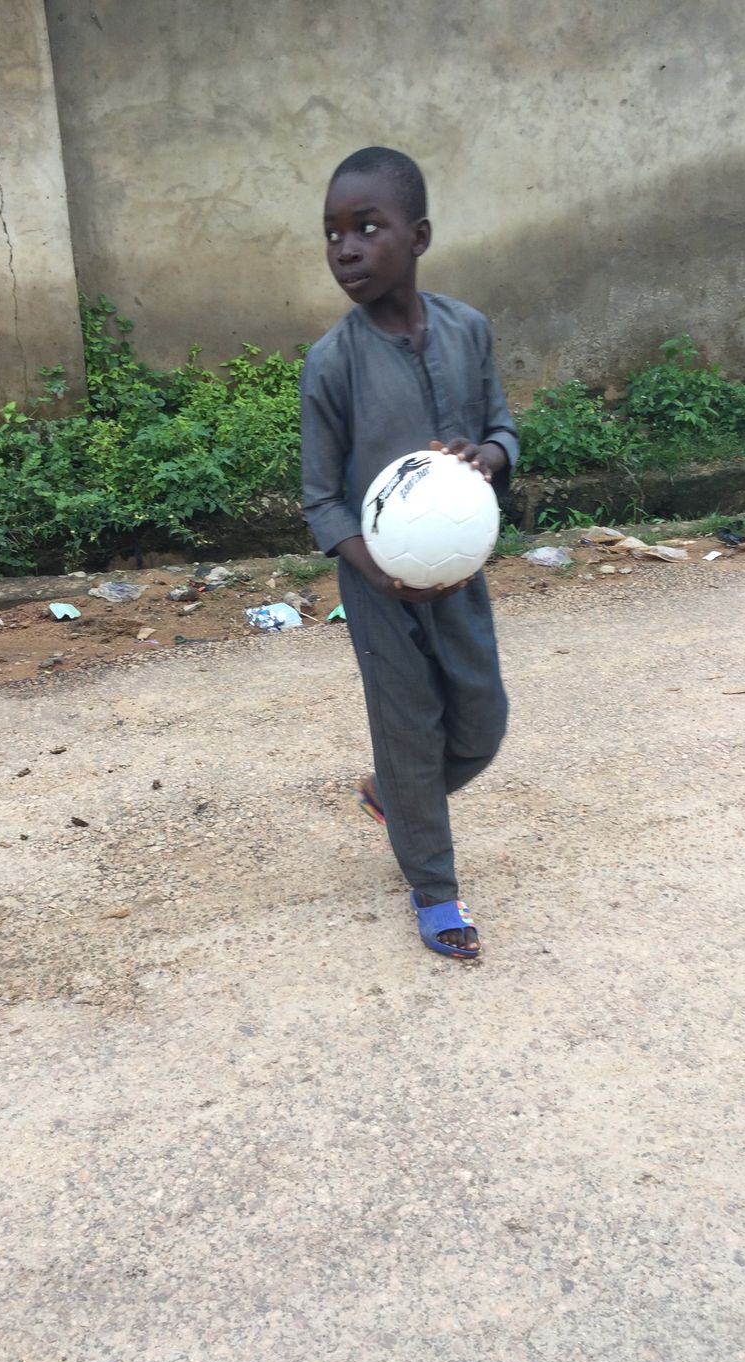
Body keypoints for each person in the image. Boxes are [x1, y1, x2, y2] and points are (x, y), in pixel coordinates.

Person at [300, 146, 518, 959]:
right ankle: (435, 889)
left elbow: (502, 431)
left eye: (367, 228)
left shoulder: (468, 330)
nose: (346, 249)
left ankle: (392, 794)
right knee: (410, 730)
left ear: (418, 236)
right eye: (332, 234)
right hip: (378, 588)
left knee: (482, 723)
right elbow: (321, 499)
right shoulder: (332, 364)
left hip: (458, 573)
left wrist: (487, 458)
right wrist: (377, 571)